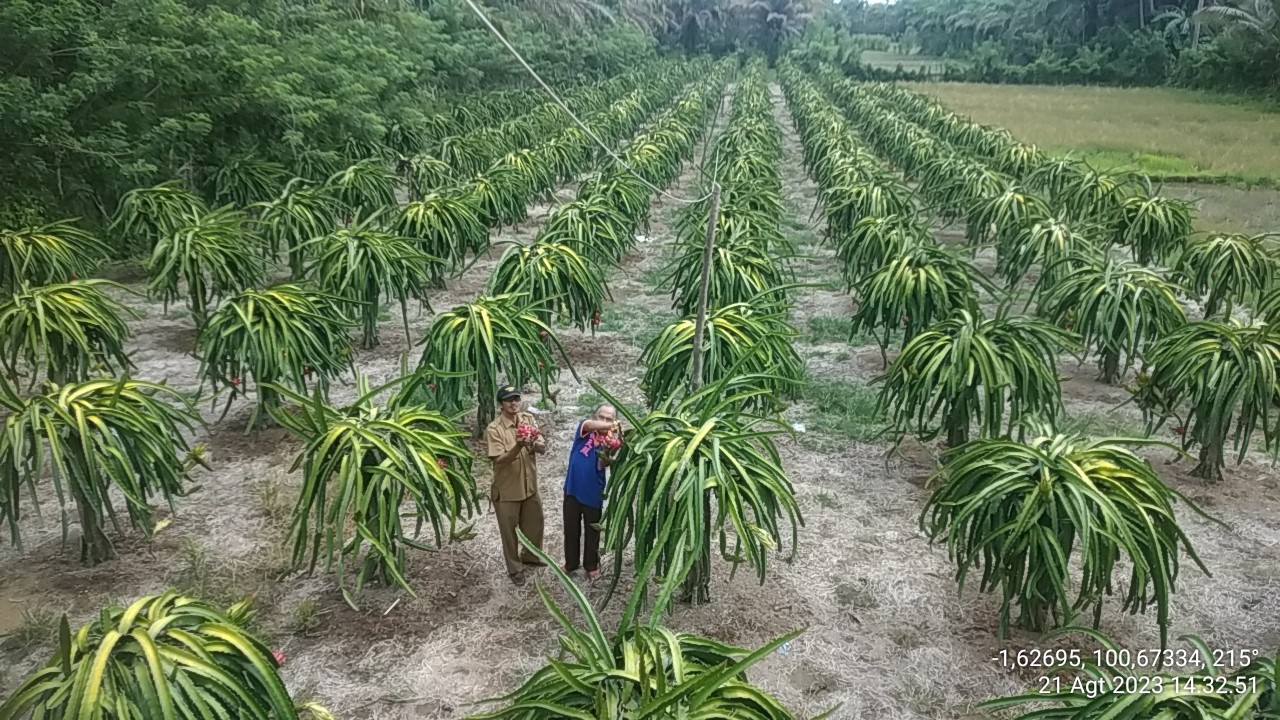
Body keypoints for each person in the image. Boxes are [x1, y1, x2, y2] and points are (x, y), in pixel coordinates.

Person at [485, 385, 547, 586]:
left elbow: (540, 441)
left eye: (516, 399)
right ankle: (515, 569)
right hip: (508, 490)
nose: (513, 403)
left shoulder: (528, 419)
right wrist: (518, 445)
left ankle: (531, 556)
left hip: (529, 486)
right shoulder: (494, 429)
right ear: (501, 405)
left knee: (535, 525)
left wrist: (539, 444)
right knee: (509, 533)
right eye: (508, 400)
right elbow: (500, 460)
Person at [562, 403, 620, 580]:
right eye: (601, 417)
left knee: (592, 531)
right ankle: (571, 563)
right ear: (595, 417)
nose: (604, 421)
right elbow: (588, 424)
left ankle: (591, 564)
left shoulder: (610, 441)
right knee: (571, 529)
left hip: (593, 492)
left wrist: (609, 449)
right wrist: (612, 425)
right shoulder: (585, 429)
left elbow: (602, 464)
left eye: (609, 418)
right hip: (572, 489)